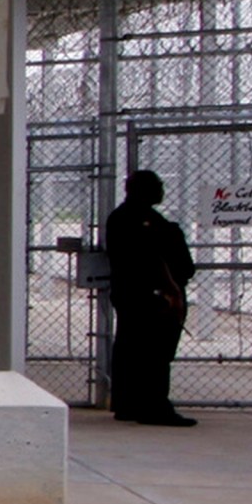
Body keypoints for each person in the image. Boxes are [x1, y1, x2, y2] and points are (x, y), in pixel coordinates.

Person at [104, 170, 198, 426]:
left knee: (130, 348)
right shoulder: (139, 219)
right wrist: (171, 289)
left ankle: (127, 403)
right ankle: (154, 406)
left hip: (132, 293)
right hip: (150, 295)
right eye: (157, 186)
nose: (161, 191)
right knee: (154, 352)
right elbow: (152, 259)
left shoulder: (125, 217)